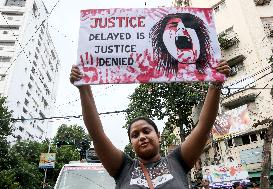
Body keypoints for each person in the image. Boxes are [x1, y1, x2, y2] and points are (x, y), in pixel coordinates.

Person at [70, 61, 230, 188]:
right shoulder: (123, 168)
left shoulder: (177, 162)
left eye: (146, 131)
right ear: (131, 143)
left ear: (158, 135)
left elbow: (203, 127)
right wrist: (83, 88)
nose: (142, 137)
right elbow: (97, 135)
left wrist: (216, 85)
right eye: (135, 135)